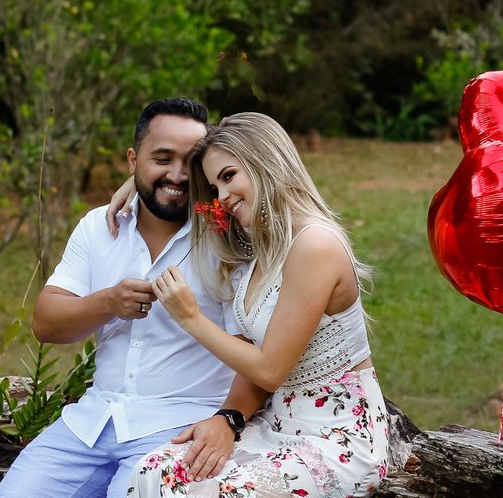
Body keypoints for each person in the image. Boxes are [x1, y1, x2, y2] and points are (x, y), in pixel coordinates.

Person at [0, 99, 270, 498]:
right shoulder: (98, 227)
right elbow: (45, 324)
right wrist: (107, 303)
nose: (177, 174)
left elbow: (256, 350)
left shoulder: (227, 236)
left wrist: (229, 419)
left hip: (180, 427)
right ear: (132, 159)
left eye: (190, 162)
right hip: (89, 424)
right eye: (162, 159)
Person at [127, 112, 390, 498]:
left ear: (266, 161)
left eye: (228, 176)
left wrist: (190, 317)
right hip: (274, 424)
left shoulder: (315, 245)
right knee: (154, 471)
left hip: (337, 438)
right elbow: (248, 354)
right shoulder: (257, 249)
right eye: (214, 187)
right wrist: (227, 419)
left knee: (218, 492)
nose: (222, 197)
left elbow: (269, 370)